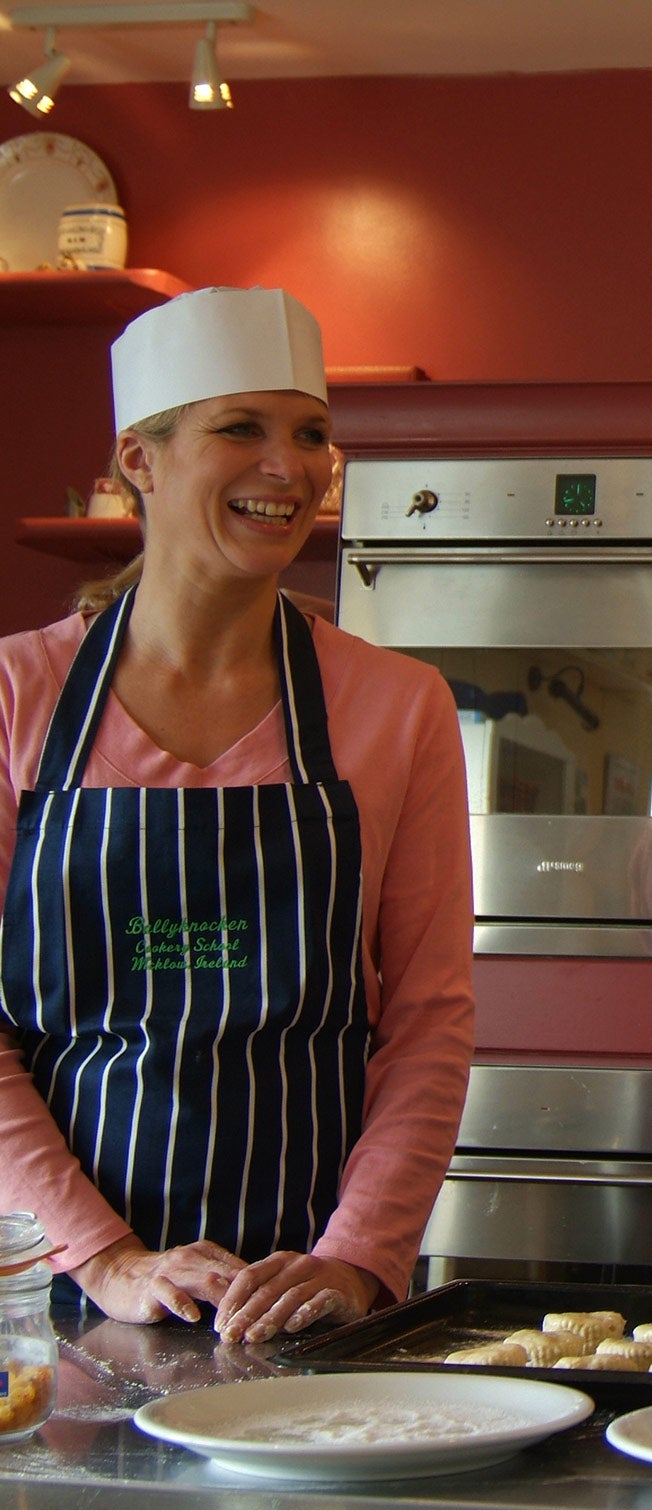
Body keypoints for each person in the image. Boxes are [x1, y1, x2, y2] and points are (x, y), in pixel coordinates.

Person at [0, 288, 473, 1340]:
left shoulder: (397, 707)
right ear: (140, 457)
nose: (290, 466)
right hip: (44, 1288)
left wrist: (353, 1261)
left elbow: (428, 1022)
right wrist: (109, 1259)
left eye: (312, 435)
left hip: (305, 1303)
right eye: (240, 429)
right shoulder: (15, 699)